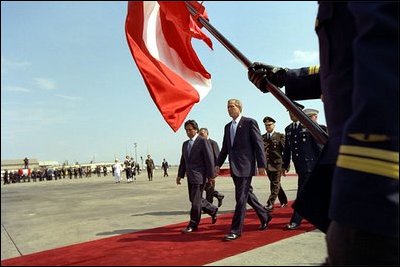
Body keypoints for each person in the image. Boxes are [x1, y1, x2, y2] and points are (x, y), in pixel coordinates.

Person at [248, 2, 398, 264]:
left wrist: (369, 186)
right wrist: (286, 77)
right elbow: (346, 64)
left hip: (377, 181)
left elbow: (389, 52)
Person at [215, 99, 272, 241]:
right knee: (247, 195)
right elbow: (225, 148)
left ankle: (235, 230)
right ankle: (265, 215)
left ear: (239, 108)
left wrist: (261, 165)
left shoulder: (249, 123)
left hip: (246, 166)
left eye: (231, 106)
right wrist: (217, 164)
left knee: (240, 199)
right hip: (234, 167)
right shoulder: (227, 127)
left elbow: (258, 144)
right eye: (227, 107)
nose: (229, 109)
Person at [281, 104, 323, 230]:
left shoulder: (308, 126)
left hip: (312, 166)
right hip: (300, 167)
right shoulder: (288, 129)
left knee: (301, 194)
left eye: (293, 112)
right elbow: (288, 149)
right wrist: (285, 164)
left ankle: (296, 221)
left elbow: (319, 148)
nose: (291, 114)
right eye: (289, 112)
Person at [177, 120, 219, 233]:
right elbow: (183, 161)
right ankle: (212, 209)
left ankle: (193, 224)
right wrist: (180, 175)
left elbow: (209, 160)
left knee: (195, 202)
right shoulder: (185, 144)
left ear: (196, 129)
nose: (188, 132)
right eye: (186, 130)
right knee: (193, 199)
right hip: (190, 176)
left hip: (200, 176)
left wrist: (211, 176)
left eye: (190, 129)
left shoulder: (203, 141)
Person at [261, 116, 288, 212]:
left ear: (274, 125)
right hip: (268, 165)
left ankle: (270, 203)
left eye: (269, 125)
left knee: (274, 184)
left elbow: (286, 151)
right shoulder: (262, 137)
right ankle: (284, 200)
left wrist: (286, 165)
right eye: (266, 125)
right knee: (276, 184)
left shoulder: (280, 136)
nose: (267, 126)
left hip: (277, 164)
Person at [199, 127, 225, 207]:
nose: (200, 136)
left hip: (211, 170)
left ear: (207, 134)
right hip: (201, 171)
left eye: (202, 134)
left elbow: (218, 157)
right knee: (204, 187)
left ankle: (209, 207)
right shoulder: (199, 144)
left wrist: (216, 170)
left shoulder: (213, 143)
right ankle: (218, 195)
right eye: (199, 134)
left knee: (209, 188)